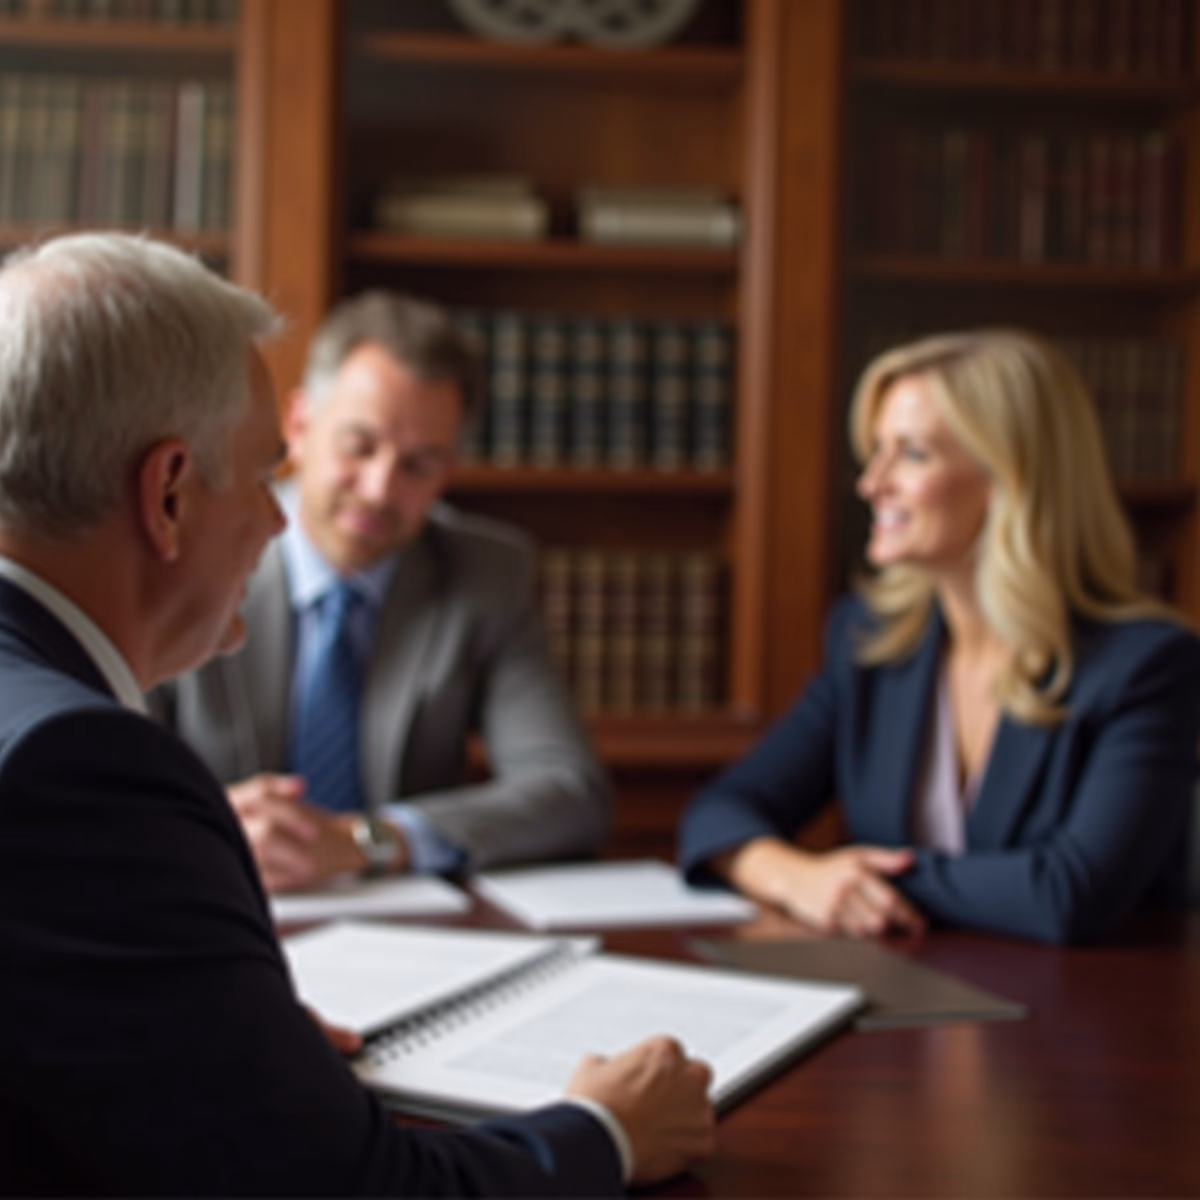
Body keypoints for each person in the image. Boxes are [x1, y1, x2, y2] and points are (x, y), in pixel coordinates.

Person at [0, 232, 714, 1195]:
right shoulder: (86, 767)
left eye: (421, 462)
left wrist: (212, 1010)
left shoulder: (481, 571)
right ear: (168, 494)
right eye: (264, 473)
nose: (277, 518)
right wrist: (606, 1132)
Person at [678, 328, 1200, 946]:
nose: (873, 483)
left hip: (1092, 1022)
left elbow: (1068, 893)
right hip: (913, 1004)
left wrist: (863, 880)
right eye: (876, 451)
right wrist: (796, 877)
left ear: (1011, 479)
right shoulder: (868, 641)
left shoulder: (1146, 665)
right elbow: (718, 813)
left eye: (913, 454)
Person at [149, 289, 611, 893]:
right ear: (299, 425)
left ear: (448, 472)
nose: (379, 489)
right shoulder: (189, 548)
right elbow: (95, 782)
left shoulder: (486, 573)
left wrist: (367, 842)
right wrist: (212, 829)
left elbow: (569, 790)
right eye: (359, 446)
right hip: (209, 906)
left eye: (419, 464)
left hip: (405, 930)